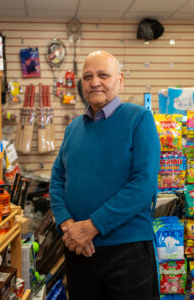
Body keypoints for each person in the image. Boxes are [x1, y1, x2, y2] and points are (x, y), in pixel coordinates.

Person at [50, 50, 161, 300]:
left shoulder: (140, 119)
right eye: (88, 76)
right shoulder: (73, 129)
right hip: (78, 249)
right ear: (82, 84)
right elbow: (57, 180)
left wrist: (93, 226)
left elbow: (143, 184)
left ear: (119, 80)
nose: (95, 82)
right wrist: (67, 224)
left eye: (103, 75)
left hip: (127, 251)